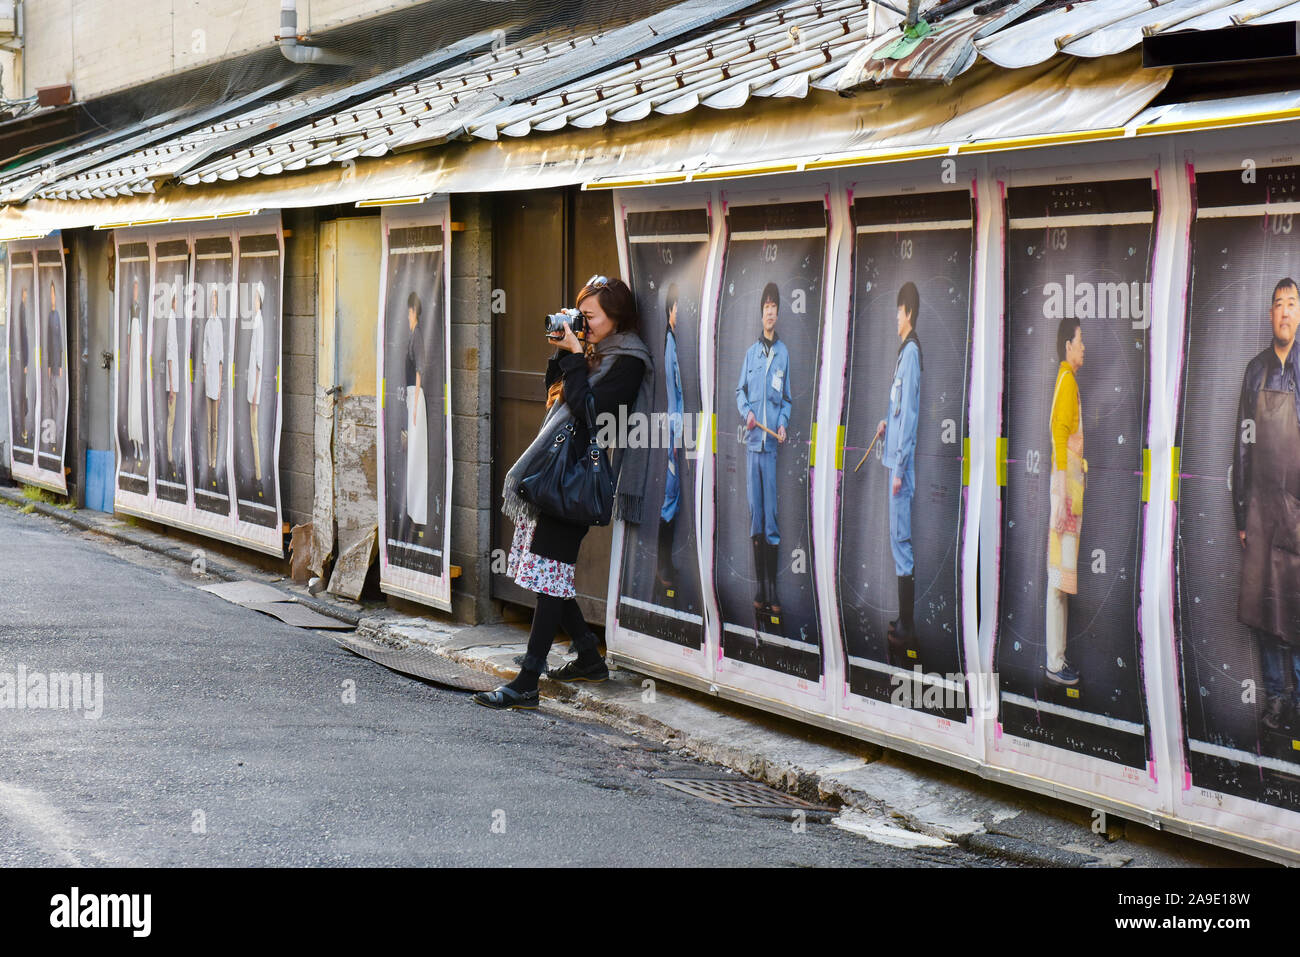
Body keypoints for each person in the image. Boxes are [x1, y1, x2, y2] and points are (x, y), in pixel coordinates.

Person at [477, 275, 653, 710]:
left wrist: (576, 356)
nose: (584, 323)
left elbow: (589, 411)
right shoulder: (594, 352)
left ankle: (527, 682)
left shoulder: (629, 361)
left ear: (617, 316)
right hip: (555, 466)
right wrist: (565, 351)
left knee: (550, 574)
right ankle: (589, 658)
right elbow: (555, 395)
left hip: (577, 477)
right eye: (581, 315)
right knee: (548, 572)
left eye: (589, 317)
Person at [1234, 277, 1300, 732]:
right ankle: (1278, 698)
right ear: (1270, 313)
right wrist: (1241, 513)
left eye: (1292, 304)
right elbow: (1242, 444)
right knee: (1266, 607)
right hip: (1259, 508)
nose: (1284, 312)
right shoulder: (1254, 370)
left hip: (1298, 508)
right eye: (1278, 304)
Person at [737, 282, 791, 631]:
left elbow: (786, 399)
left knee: (771, 517)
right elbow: (739, 391)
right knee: (755, 516)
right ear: (761, 312)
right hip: (752, 445)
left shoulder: (783, 354)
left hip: (771, 449)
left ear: (778, 312)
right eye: (766, 305)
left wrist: (783, 424)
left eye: (774, 305)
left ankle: (773, 591)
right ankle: (759, 588)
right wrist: (747, 413)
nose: (770, 310)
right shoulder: (750, 354)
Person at [875, 282, 922, 656]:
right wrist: (884, 425)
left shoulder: (912, 354)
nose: (895, 317)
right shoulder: (903, 353)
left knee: (902, 542)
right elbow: (896, 412)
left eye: (897, 311)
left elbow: (910, 417)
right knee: (896, 539)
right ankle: (902, 618)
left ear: (907, 312)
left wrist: (899, 469)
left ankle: (907, 625)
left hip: (899, 470)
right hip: (894, 461)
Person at [1045, 316, 1086, 687]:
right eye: (1080, 341)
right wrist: (1061, 497)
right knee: (1058, 580)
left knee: (1061, 578)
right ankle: (1055, 663)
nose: (1083, 347)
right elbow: (1059, 440)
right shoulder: (1068, 381)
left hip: (1067, 494)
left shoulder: (1066, 381)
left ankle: (1056, 658)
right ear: (1067, 346)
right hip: (1066, 496)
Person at [656, 283, 683, 598]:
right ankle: (663, 566)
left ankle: (667, 565)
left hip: (683, 430)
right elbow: (674, 396)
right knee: (671, 496)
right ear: (670, 311)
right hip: (676, 431)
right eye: (677, 308)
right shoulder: (671, 344)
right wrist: (676, 435)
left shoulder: (679, 341)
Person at [401, 290, 428, 539]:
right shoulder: (413, 332)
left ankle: (418, 515)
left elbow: (420, 368)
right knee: (412, 457)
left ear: (412, 312)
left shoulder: (417, 332)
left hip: (415, 396)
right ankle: (413, 512)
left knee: (417, 457)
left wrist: (416, 406)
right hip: (412, 396)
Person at [202, 288, 224, 485]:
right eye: (211, 299)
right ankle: (209, 460)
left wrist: (220, 384)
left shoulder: (219, 325)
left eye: (215, 299)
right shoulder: (208, 324)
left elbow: (221, 358)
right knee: (208, 425)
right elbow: (204, 353)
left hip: (215, 380)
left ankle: (215, 460)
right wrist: (204, 377)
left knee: (215, 425)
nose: (213, 302)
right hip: (208, 377)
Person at [245, 282, 265, 486]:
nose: (254, 303)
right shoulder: (256, 321)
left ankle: (258, 474)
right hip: (253, 387)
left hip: (255, 389)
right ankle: (256, 470)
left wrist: (255, 393)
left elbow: (259, 361)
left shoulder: (259, 322)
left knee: (254, 431)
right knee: (252, 431)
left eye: (257, 299)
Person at [126, 277, 146, 465]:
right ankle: (134, 442)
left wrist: (139, 367)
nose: (135, 292)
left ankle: (139, 442)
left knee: (137, 402)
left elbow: (139, 338)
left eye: (137, 288)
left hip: (136, 362)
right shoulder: (130, 312)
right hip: (132, 363)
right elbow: (129, 337)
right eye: (134, 288)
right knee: (132, 400)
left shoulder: (139, 312)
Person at [43, 278, 62, 455]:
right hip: (51, 365)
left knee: (58, 397)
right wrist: (49, 365)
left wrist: (60, 365)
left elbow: (60, 341)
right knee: (51, 398)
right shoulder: (49, 316)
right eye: (50, 295)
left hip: (58, 365)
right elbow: (49, 341)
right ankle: (52, 435)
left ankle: (57, 432)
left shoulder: (58, 316)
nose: (52, 298)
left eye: (53, 294)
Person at [165, 290, 180, 474]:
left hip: (174, 380)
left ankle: (170, 455)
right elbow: (169, 355)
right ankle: (169, 457)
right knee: (171, 420)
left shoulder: (173, 319)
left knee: (173, 420)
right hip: (172, 382)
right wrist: (171, 385)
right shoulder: (171, 321)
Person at [16, 285, 30, 444]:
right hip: (22, 361)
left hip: (22, 360)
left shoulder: (22, 309)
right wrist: (25, 361)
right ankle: (22, 429)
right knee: (22, 395)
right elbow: (23, 337)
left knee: (22, 395)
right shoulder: (21, 309)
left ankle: (22, 429)